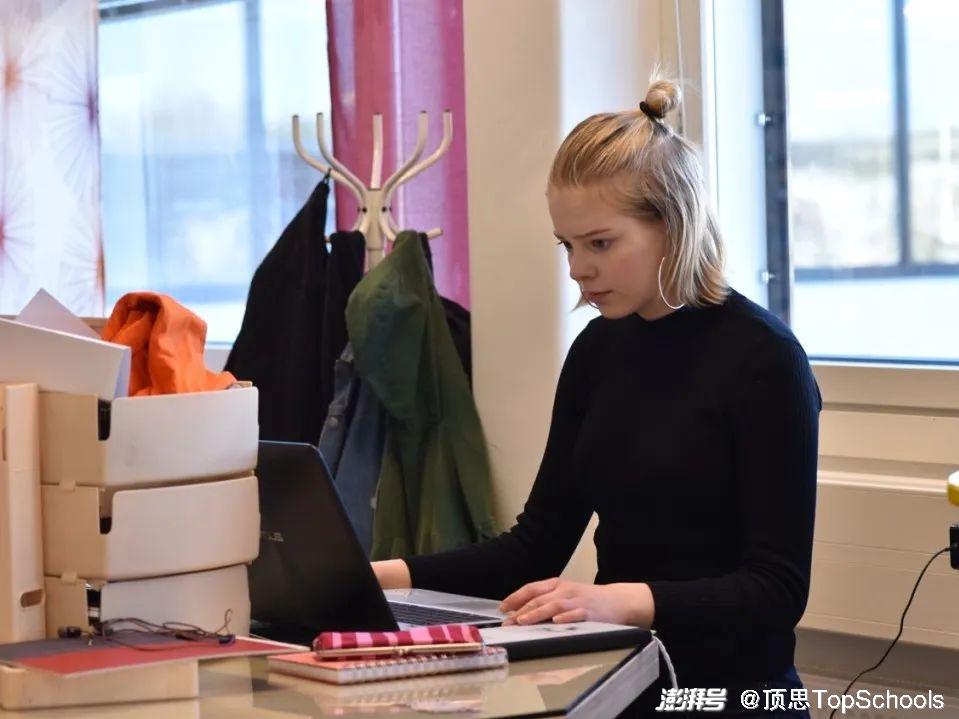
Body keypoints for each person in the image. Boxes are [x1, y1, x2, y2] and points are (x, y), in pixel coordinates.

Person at [373, 78, 820, 718]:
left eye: (600, 243)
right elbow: (533, 548)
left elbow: (776, 590)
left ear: (673, 225)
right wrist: (383, 575)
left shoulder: (766, 360)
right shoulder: (598, 350)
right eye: (568, 245)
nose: (578, 268)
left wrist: (618, 600)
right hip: (627, 677)